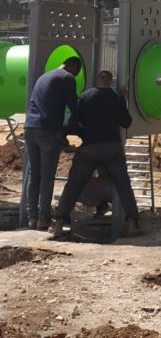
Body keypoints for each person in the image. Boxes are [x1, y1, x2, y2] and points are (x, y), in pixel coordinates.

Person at [52, 70, 140, 238]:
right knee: (123, 185)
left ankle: (59, 224)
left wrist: (84, 135)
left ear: (96, 80)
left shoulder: (86, 96)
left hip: (89, 148)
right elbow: (127, 122)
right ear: (111, 81)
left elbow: (72, 124)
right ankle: (132, 224)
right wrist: (123, 100)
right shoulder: (116, 97)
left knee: (73, 185)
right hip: (112, 148)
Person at [24, 56, 82, 230]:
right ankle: (44, 219)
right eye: (77, 73)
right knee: (47, 176)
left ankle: (32, 218)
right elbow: (74, 105)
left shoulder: (44, 76)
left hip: (30, 128)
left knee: (33, 175)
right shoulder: (67, 78)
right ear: (74, 68)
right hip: (48, 131)